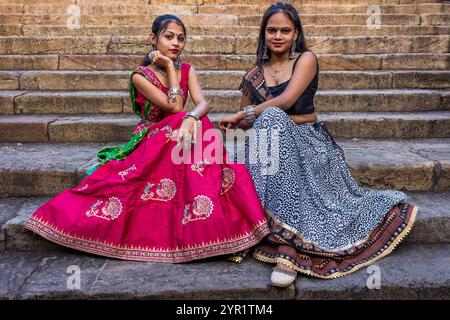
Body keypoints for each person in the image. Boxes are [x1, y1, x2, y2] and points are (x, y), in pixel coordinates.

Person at [24, 14, 270, 263]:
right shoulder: (140, 76)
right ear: (153, 39)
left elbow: (203, 103)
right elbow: (173, 107)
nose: (176, 43)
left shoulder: (188, 69)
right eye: (169, 37)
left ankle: (204, 206)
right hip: (155, 135)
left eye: (181, 39)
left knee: (198, 122)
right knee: (179, 121)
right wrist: (169, 72)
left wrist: (192, 117)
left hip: (183, 134)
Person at [220, 2, 417, 286]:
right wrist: (239, 122)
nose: (278, 36)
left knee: (275, 116)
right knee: (269, 125)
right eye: (272, 30)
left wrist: (245, 114)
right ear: (263, 34)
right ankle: (269, 232)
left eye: (285, 31)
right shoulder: (253, 75)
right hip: (269, 147)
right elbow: (253, 123)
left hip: (306, 141)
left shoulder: (305, 60)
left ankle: (289, 247)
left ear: (296, 33)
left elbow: (286, 103)